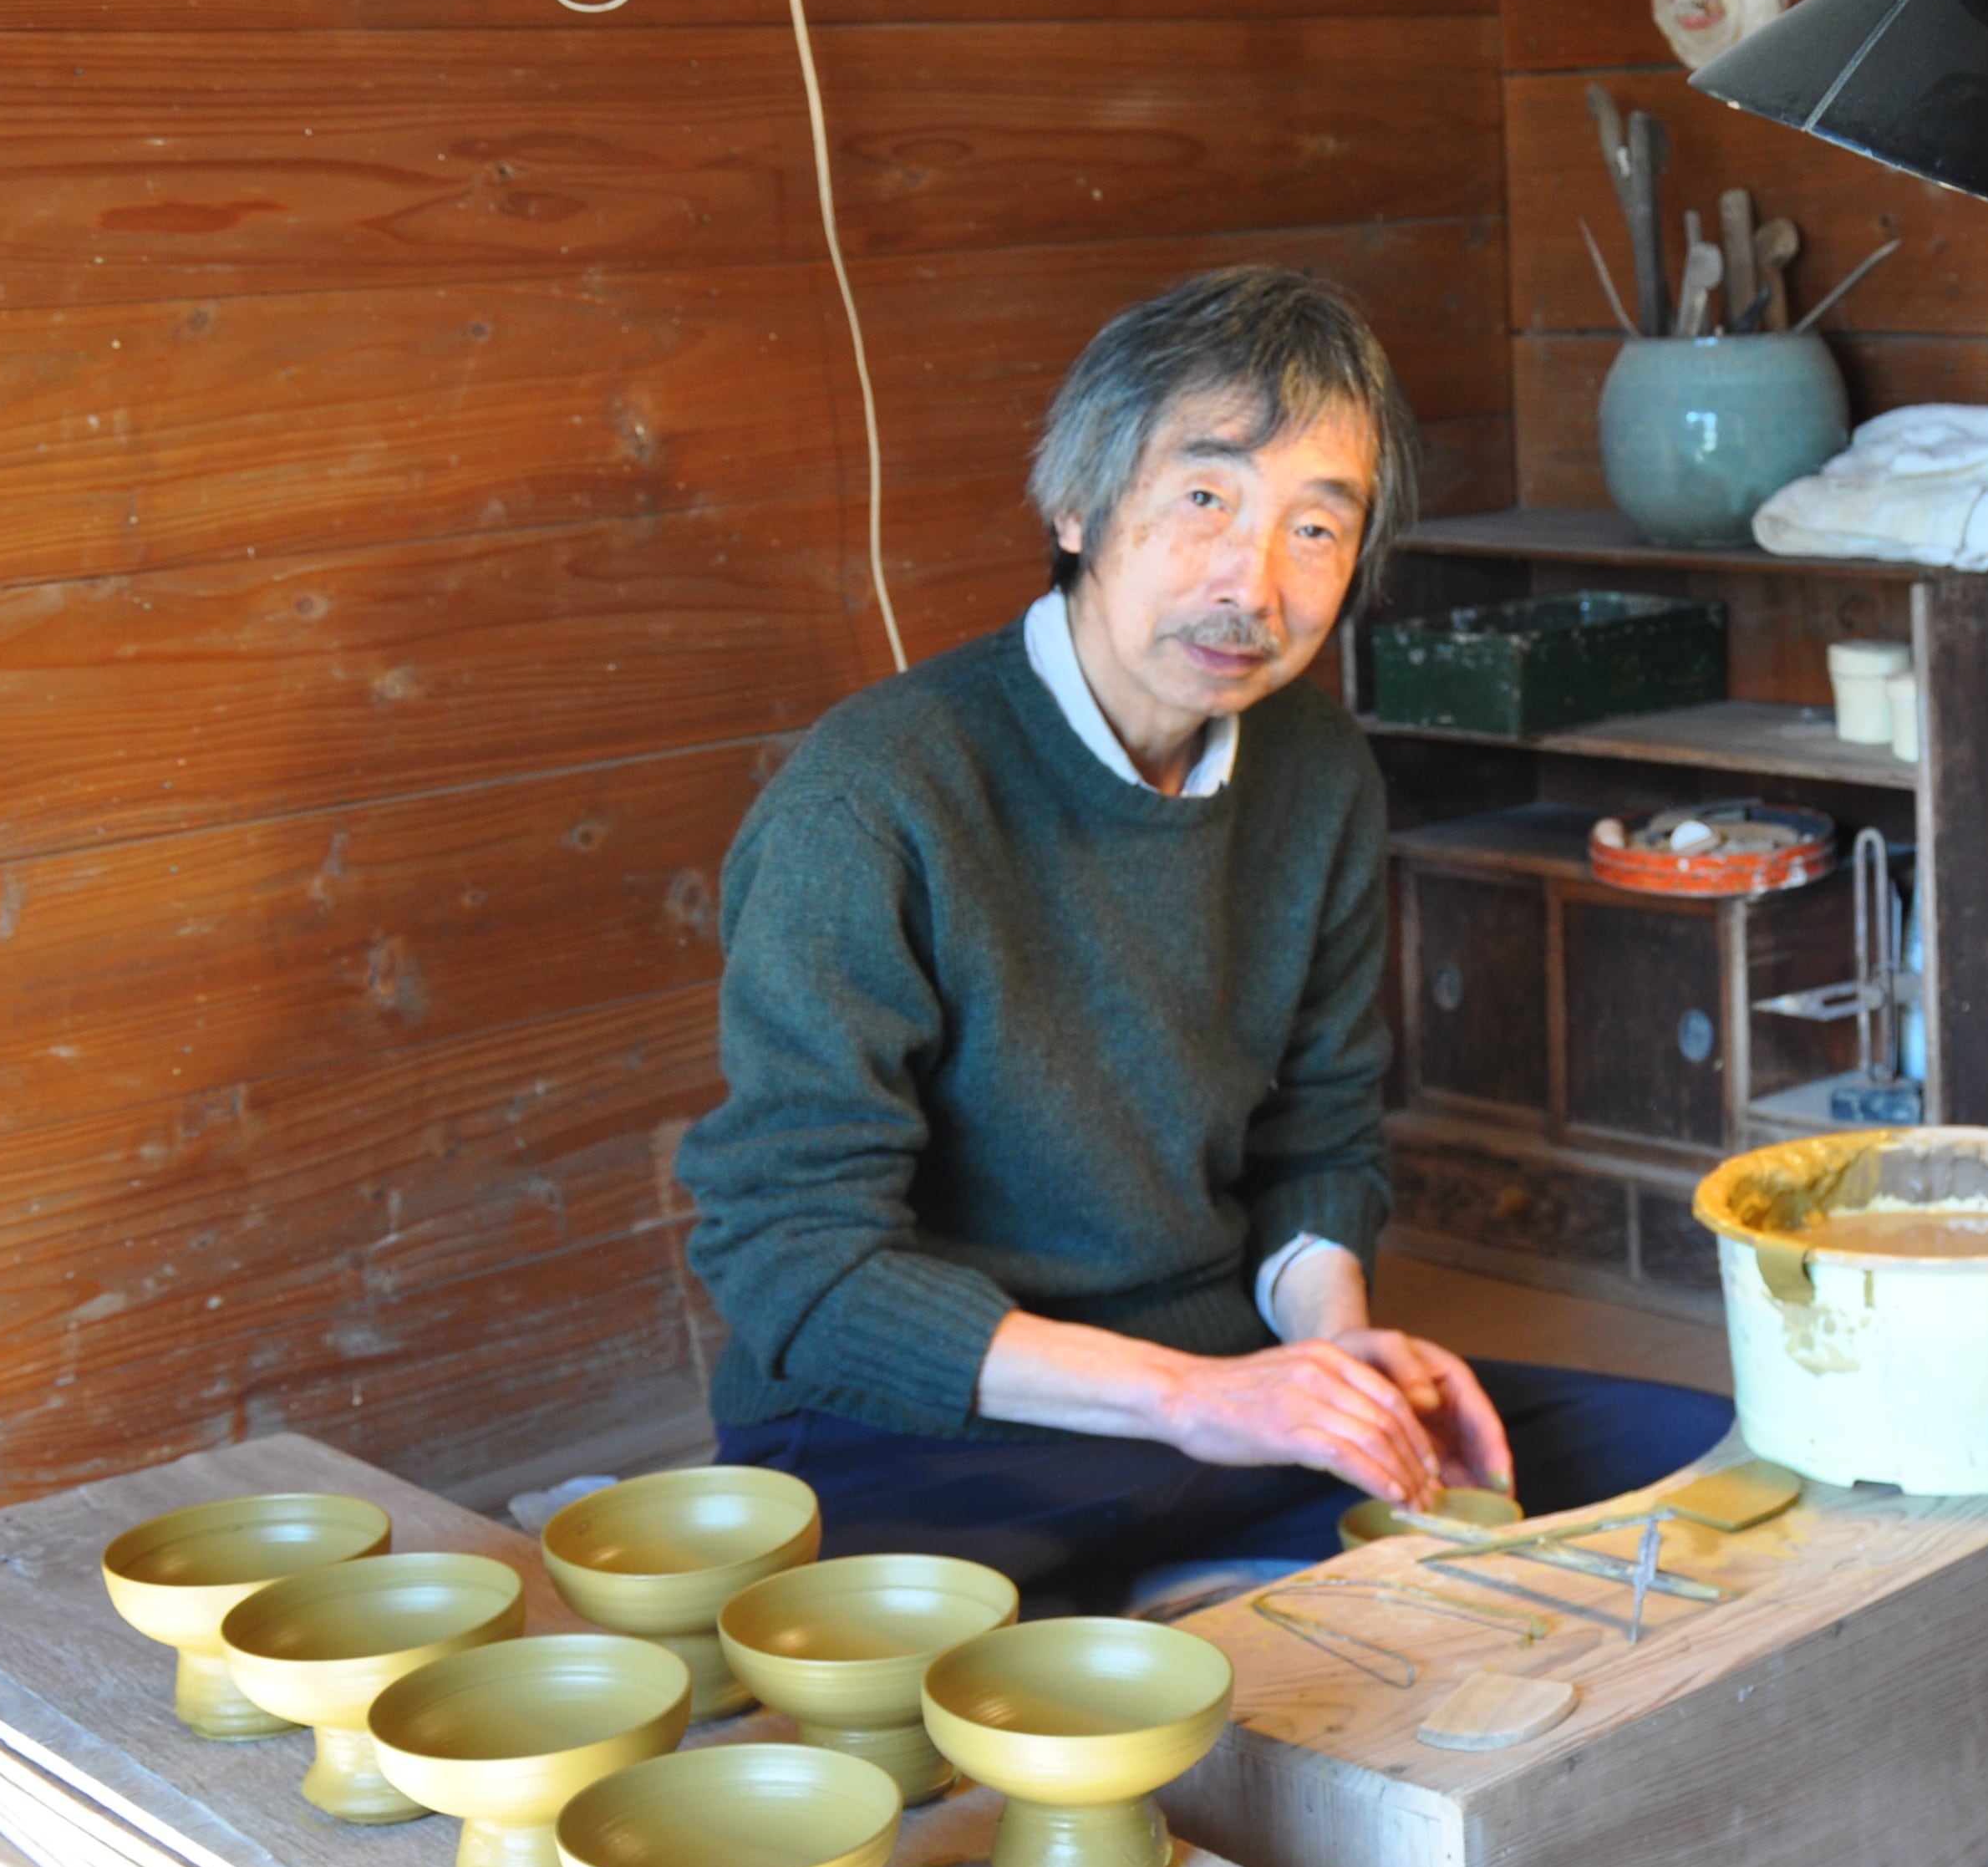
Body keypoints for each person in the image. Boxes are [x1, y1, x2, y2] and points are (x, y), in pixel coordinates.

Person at [679, 267, 1731, 1613]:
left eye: (1316, 527)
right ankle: (1187, 1579)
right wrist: (1199, 1401)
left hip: (1231, 1409)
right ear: (1077, 506)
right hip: (927, 1443)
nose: (1254, 582)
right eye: (1205, 499)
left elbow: (1318, 1139)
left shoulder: (1316, 768)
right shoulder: (875, 796)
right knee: (987, 1729)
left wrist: (1346, 1379)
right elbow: (796, 1265)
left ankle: (1216, 1560)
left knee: (1694, 1482)